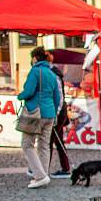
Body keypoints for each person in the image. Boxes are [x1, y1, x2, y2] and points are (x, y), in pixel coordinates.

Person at [17, 46, 61, 189]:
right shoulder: (51, 73)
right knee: (44, 146)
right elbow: (57, 97)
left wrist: (20, 96)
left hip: (35, 113)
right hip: (49, 114)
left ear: (35, 58)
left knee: (27, 144)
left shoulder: (35, 71)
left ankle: (40, 176)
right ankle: (44, 174)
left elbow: (28, 91)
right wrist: (54, 114)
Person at [46, 51, 71, 179]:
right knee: (57, 140)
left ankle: (44, 169)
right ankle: (65, 168)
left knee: (49, 141)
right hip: (60, 112)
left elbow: (59, 96)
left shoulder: (52, 73)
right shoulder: (54, 72)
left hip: (58, 112)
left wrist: (56, 114)